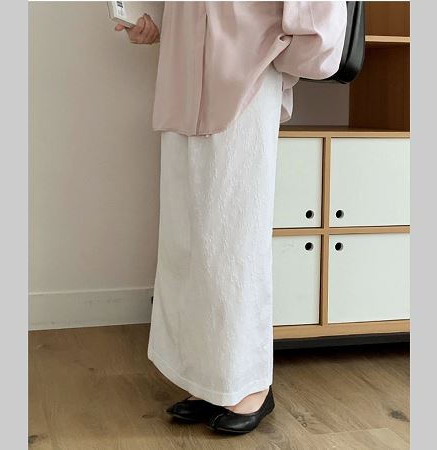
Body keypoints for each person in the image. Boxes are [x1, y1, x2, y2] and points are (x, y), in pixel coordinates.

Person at [116, 1, 347, 434]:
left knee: (233, 234)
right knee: (188, 238)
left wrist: (268, 47)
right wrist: (148, 20)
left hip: (245, 69)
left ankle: (249, 383)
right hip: (186, 69)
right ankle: (207, 379)